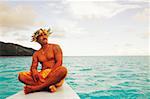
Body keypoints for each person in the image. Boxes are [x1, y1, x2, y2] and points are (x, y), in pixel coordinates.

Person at [18, 28, 67, 94]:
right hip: (42, 76)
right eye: (41, 35)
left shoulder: (55, 47)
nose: (44, 36)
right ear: (37, 40)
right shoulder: (36, 54)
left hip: (54, 75)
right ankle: (47, 87)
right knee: (21, 76)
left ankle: (36, 88)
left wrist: (50, 74)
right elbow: (33, 68)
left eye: (45, 35)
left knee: (63, 70)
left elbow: (59, 62)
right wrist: (35, 73)